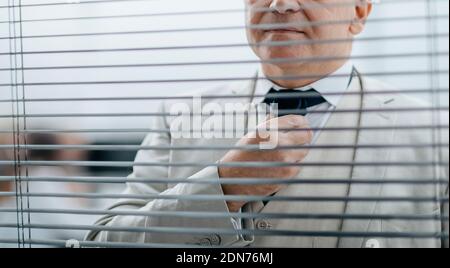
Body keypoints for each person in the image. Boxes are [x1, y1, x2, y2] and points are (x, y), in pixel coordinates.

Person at [86, 0, 449, 248]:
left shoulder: (435, 135)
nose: (279, 4)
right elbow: (104, 239)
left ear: (359, 11)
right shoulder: (178, 116)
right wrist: (224, 185)